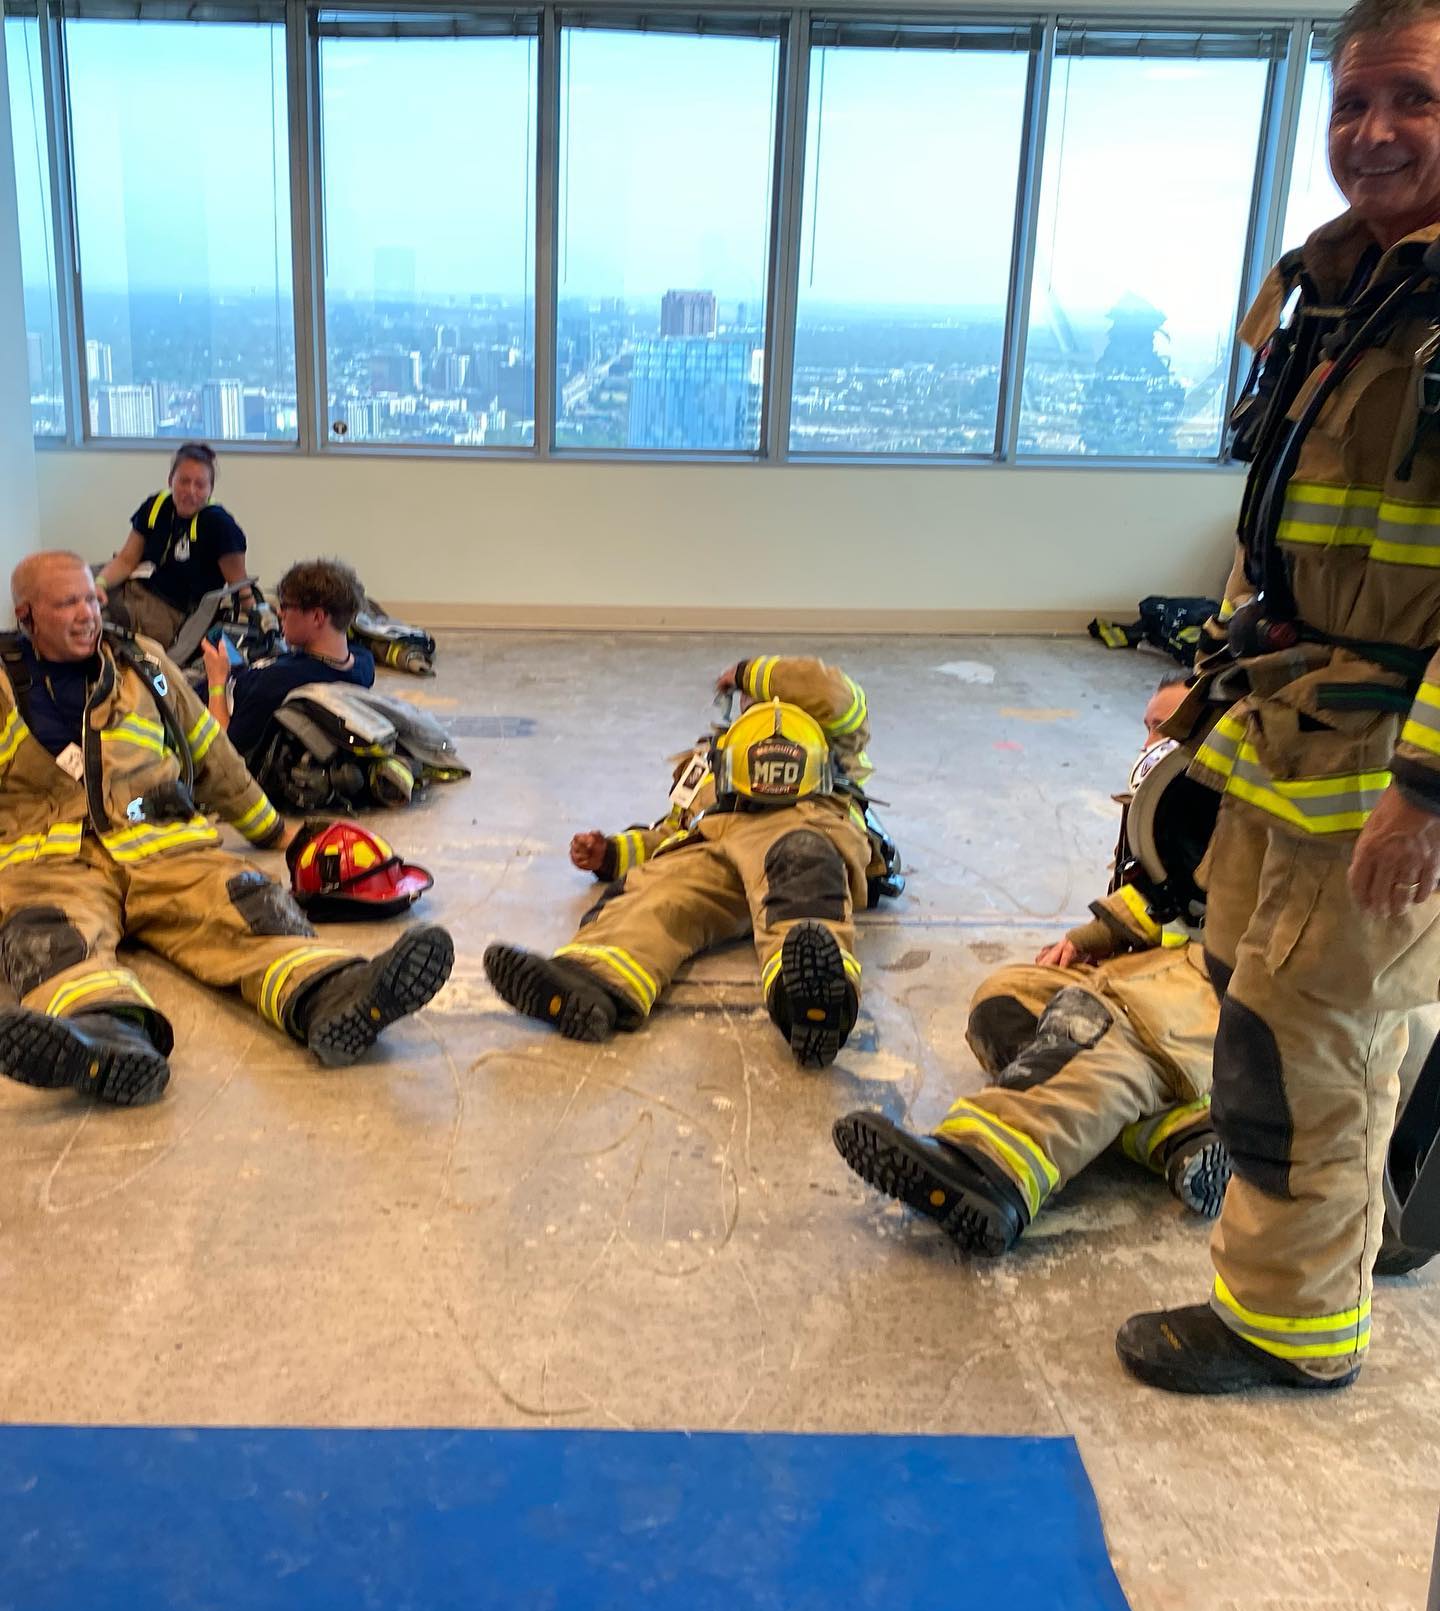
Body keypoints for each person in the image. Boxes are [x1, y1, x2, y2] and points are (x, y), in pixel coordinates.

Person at [1117, 0, 1440, 1395]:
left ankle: (1291, 1328)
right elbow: (1303, 521)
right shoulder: (1346, 288)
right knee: (1270, 997)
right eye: (1354, 103)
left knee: (1302, 1036)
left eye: (1415, 100)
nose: (1374, 133)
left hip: (1386, 753)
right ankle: (1359, 1227)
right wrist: (1216, 672)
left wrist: (1428, 791)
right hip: (1294, 718)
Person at [0, 553, 452, 1107]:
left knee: (249, 904)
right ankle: (104, 1037)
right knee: (49, 941)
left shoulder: (145, 665)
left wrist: (272, 832)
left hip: (165, 846)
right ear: (25, 615)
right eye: (68, 601)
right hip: (52, 866)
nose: (88, 612)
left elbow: (210, 752)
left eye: (92, 598)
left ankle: (333, 993)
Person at [831, 673, 1231, 1254]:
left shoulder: (1250, 813)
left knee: (1107, 1019)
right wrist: (1095, 935)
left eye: (1167, 728)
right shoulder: (1178, 807)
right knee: (1007, 998)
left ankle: (993, 1169)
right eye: (1149, 726)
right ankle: (1174, 1131)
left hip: (1231, 980)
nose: (1152, 741)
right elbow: (1176, 897)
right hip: (1163, 963)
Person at [484, 654, 875, 1069]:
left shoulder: (827, 739)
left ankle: (810, 1004)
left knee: (803, 872)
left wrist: (748, 672)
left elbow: (833, 695)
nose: (746, 702)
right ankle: (592, 980)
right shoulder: (709, 763)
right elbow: (674, 828)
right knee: (658, 889)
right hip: (715, 841)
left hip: (804, 824)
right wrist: (613, 853)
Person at [201, 558, 376, 764]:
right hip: (243, 673)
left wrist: (216, 680)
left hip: (199, 708)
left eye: (286, 606)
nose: (279, 612)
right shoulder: (363, 663)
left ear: (318, 617)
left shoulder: (275, 683)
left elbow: (224, 751)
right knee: (221, 638)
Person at [94, 443, 253, 651]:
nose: (191, 491)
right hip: (136, 585)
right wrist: (98, 584)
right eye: (184, 482)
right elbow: (126, 560)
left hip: (172, 611)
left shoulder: (220, 525)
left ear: (210, 489)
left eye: (200, 485)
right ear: (171, 480)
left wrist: (259, 615)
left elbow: (240, 586)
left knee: (100, 618)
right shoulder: (156, 506)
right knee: (72, 586)